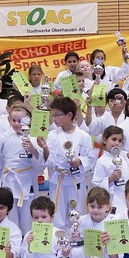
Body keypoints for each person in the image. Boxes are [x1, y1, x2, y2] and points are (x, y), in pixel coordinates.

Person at [37, 96, 96, 230]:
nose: (54, 119)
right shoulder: (52, 135)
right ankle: (59, 240)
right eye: (53, 115)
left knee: (77, 213)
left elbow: (91, 158)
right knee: (57, 214)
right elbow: (50, 161)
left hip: (76, 180)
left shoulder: (84, 136)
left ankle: (76, 238)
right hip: (57, 180)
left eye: (57, 115)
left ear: (69, 115)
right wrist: (44, 148)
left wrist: (79, 161)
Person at [0, 103, 43, 235]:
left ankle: (27, 241)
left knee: (27, 216)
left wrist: (32, 149)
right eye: (14, 120)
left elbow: (40, 165)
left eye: (20, 121)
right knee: (10, 215)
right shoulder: (6, 136)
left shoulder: (34, 138)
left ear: (28, 120)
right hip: (9, 180)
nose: (17, 124)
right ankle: (10, 241)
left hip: (26, 182)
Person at [68, 187, 114, 258]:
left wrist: (109, 239)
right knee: (76, 251)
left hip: (105, 257)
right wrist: (75, 237)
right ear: (87, 205)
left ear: (108, 207)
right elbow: (72, 241)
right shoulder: (81, 220)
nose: (95, 210)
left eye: (100, 207)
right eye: (92, 206)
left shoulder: (113, 221)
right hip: (88, 256)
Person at [92, 126, 129, 214]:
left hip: (125, 198)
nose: (117, 143)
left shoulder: (123, 157)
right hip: (111, 200)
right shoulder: (101, 161)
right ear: (104, 140)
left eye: (120, 140)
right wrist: (110, 178)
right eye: (114, 139)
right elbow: (96, 184)